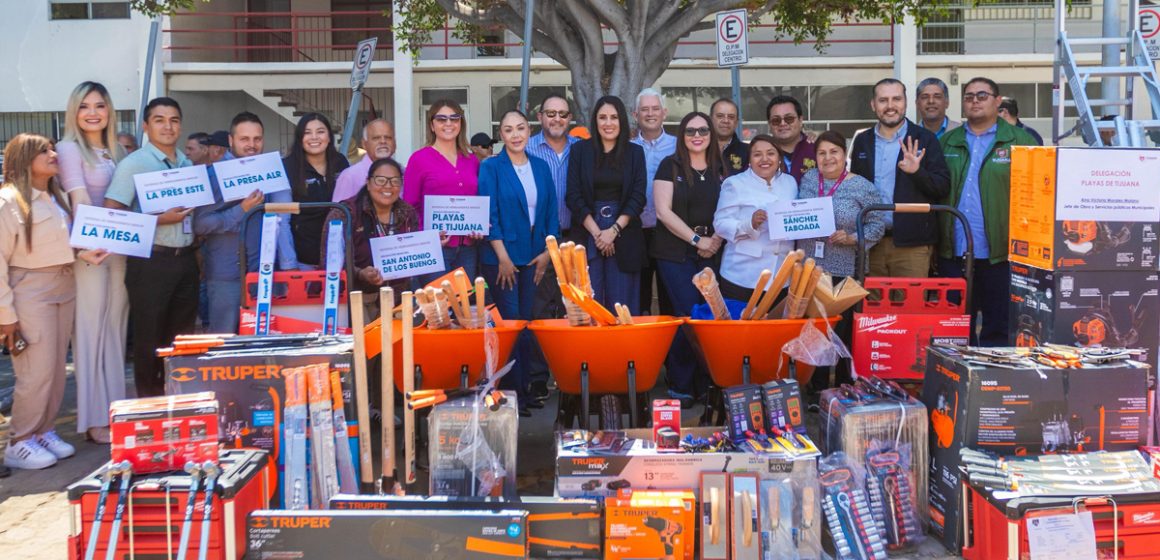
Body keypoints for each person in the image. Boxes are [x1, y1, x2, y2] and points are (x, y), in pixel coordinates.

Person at [1, 134, 96, 469]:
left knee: (55, 370)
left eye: (53, 148)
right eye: (44, 151)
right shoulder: (8, 202)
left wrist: (85, 252)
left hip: (63, 285)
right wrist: (6, 316)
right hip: (30, 290)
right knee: (35, 371)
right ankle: (20, 439)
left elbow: (61, 244)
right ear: (24, 158)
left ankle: (43, 430)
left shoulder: (54, 198)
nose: (53, 154)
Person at [105, 97, 200, 397]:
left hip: (185, 260)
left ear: (181, 126)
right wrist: (159, 220)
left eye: (173, 120)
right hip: (150, 263)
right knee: (149, 340)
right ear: (146, 126)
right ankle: (150, 407)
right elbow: (113, 215)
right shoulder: (133, 164)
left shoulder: (186, 162)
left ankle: (178, 402)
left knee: (181, 339)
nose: (167, 126)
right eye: (159, 120)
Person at [938, 77, 1037, 346]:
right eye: (969, 96)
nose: (974, 101)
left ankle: (993, 382)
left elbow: (1037, 193)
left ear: (997, 100)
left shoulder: (1021, 141)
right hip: (954, 251)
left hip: (1000, 253)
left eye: (982, 95)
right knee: (955, 327)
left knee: (998, 326)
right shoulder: (948, 142)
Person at [55, 81, 127, 444]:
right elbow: (80, 201)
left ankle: (117, 411)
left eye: (100, 105)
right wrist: (96, 241)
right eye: (84, 106)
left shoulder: (116, 151)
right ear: (74, 111)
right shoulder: (68, 148)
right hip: (91, 252)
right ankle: (94, 418)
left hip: (120, 252)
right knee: (90, 332)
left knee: (115, 331)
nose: (93, 112)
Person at [479, 110, 559, 417]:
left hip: (535, 256)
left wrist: (548, 253)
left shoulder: (540, 166)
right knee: (510, 325)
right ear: (501, 135)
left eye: (521, 128)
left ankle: (526, 390)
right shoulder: (492, 167)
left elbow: (551, 211)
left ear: (529, 131)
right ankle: (510, 394)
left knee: (528, 324)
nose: (515, 134)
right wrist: (502, 256)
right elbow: (489, 214)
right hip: (502, 259)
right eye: (508, 129)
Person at [797, 130, 885, 388]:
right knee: (816, 330)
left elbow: (877, 226)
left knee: (843, 332)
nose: (828, 158)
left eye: (833, 152)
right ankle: (817, 389)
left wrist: (852, 237)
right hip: (813, 269)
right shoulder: (809, 179)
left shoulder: (862, 186)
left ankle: (845, 386)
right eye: (821, 153)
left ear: (844, 154)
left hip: (846, 269)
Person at [653, 112, 728, 406]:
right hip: (675, 252)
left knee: (709, 317)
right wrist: (698, 240)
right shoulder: (669, 166)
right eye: (690, 131)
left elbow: (730, 207)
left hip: (713, 249)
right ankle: (682, 384)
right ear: (682, 135)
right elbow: (663, 212)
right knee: (687, 313)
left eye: (703, 130)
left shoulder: (720, 168)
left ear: (711, 134)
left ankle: (707, 381)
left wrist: (715, 241)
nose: (697, 135)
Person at [850, 78, 951, 279]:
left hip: (913, 246)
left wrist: (917, 172)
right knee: (872, 309)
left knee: (911, 309)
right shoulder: (862, 141)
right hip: (871, 243)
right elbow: (855, 189)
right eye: (883, 100)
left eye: (896, 99)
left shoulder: (925, 138)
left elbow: (942, 188)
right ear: (873, 105)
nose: (890, 106)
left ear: (906, 102)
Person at [566, 96, 647, 313]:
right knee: (589, 302)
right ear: (595, 121)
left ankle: (622, 348)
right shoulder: (579, 151)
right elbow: (573, 195)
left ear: (622, 120)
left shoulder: (635, 153)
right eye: (602, 117)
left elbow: (638, 197)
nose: (608, 123)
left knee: (621, 305)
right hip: (588, 229)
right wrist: (597, 233)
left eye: (614, 117)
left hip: (623, 230)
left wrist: (613, 230)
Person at [194, 112, 271, 334]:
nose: (252, 145)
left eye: (257, 139)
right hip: (226, 276)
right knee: (224, 344)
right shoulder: (215, 175)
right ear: (230, 141)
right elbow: (201, 224)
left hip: (261, 274)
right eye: (244, 139)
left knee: (260, 344)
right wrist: (241, 210)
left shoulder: (267, 170)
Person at [322, 157, 418, 312]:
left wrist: (432, 244)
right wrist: (360, 273)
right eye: (380, 180)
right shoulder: (344, 213)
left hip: (397, 300)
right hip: (355, 300)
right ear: (368, 182)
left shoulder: (407, 213)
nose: (388, 186)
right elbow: (329, 262)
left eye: (395, 181)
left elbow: (413, 253)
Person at [403, 99, 483, 282]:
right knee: (437, 307)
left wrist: (480, 225)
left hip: (468, 248)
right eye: (441, 119)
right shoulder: (419, 159)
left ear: (461, 123)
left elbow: (478, 200)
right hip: (434, 249)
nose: (448, 123)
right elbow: (409, 208)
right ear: (432, 125)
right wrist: (428, 235)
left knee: (462, 305)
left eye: (454, 118)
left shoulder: (472, 160)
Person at [713, 134, 798, 302]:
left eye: (771, 153)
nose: (764, 159)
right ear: (749, 160)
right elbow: (720, 224)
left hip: (781, 277)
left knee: (775, 327)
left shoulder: (790, 182)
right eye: (757, 154)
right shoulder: (735, 183)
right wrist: (749, 223)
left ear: (779, 158)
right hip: (743, 275)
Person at [631, 88, 677, 316]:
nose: (650, 114)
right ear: (635, 114)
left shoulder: (679, 146)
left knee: (671, 294)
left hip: (669, 231)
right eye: (645, 109)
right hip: (636, 231)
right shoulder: (628, 148)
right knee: (638, 297)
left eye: (655, 109)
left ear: (664, 113)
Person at [283, 112, 349, 270]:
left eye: (320, 131)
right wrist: (289, 264)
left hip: (338, 256)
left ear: (329, 136)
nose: (314, 137)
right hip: (303, 260)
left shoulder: (340, 162)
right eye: (307, 132)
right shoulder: (287, 167)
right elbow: (282, 220)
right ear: (300, 138)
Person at [332, 119, 396, 203]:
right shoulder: (350, 176)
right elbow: (339, 213)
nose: (383, 141)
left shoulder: (403, 174)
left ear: (395, 144)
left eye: (388, 138)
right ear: (364, 144)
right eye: (376, 138)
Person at [767, 95, 816, 182]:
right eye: (776, 120)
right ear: (769, 124)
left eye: (789, 118)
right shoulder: (760, 155)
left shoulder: (816, 150)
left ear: (800, 120)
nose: (782, 123)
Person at [710, 97, 749, 173]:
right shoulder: (699, 149)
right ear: (710, 119)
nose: (726, 120)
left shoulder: (748, 152)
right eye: (720, 116)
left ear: (737, 122)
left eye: (731, 117)